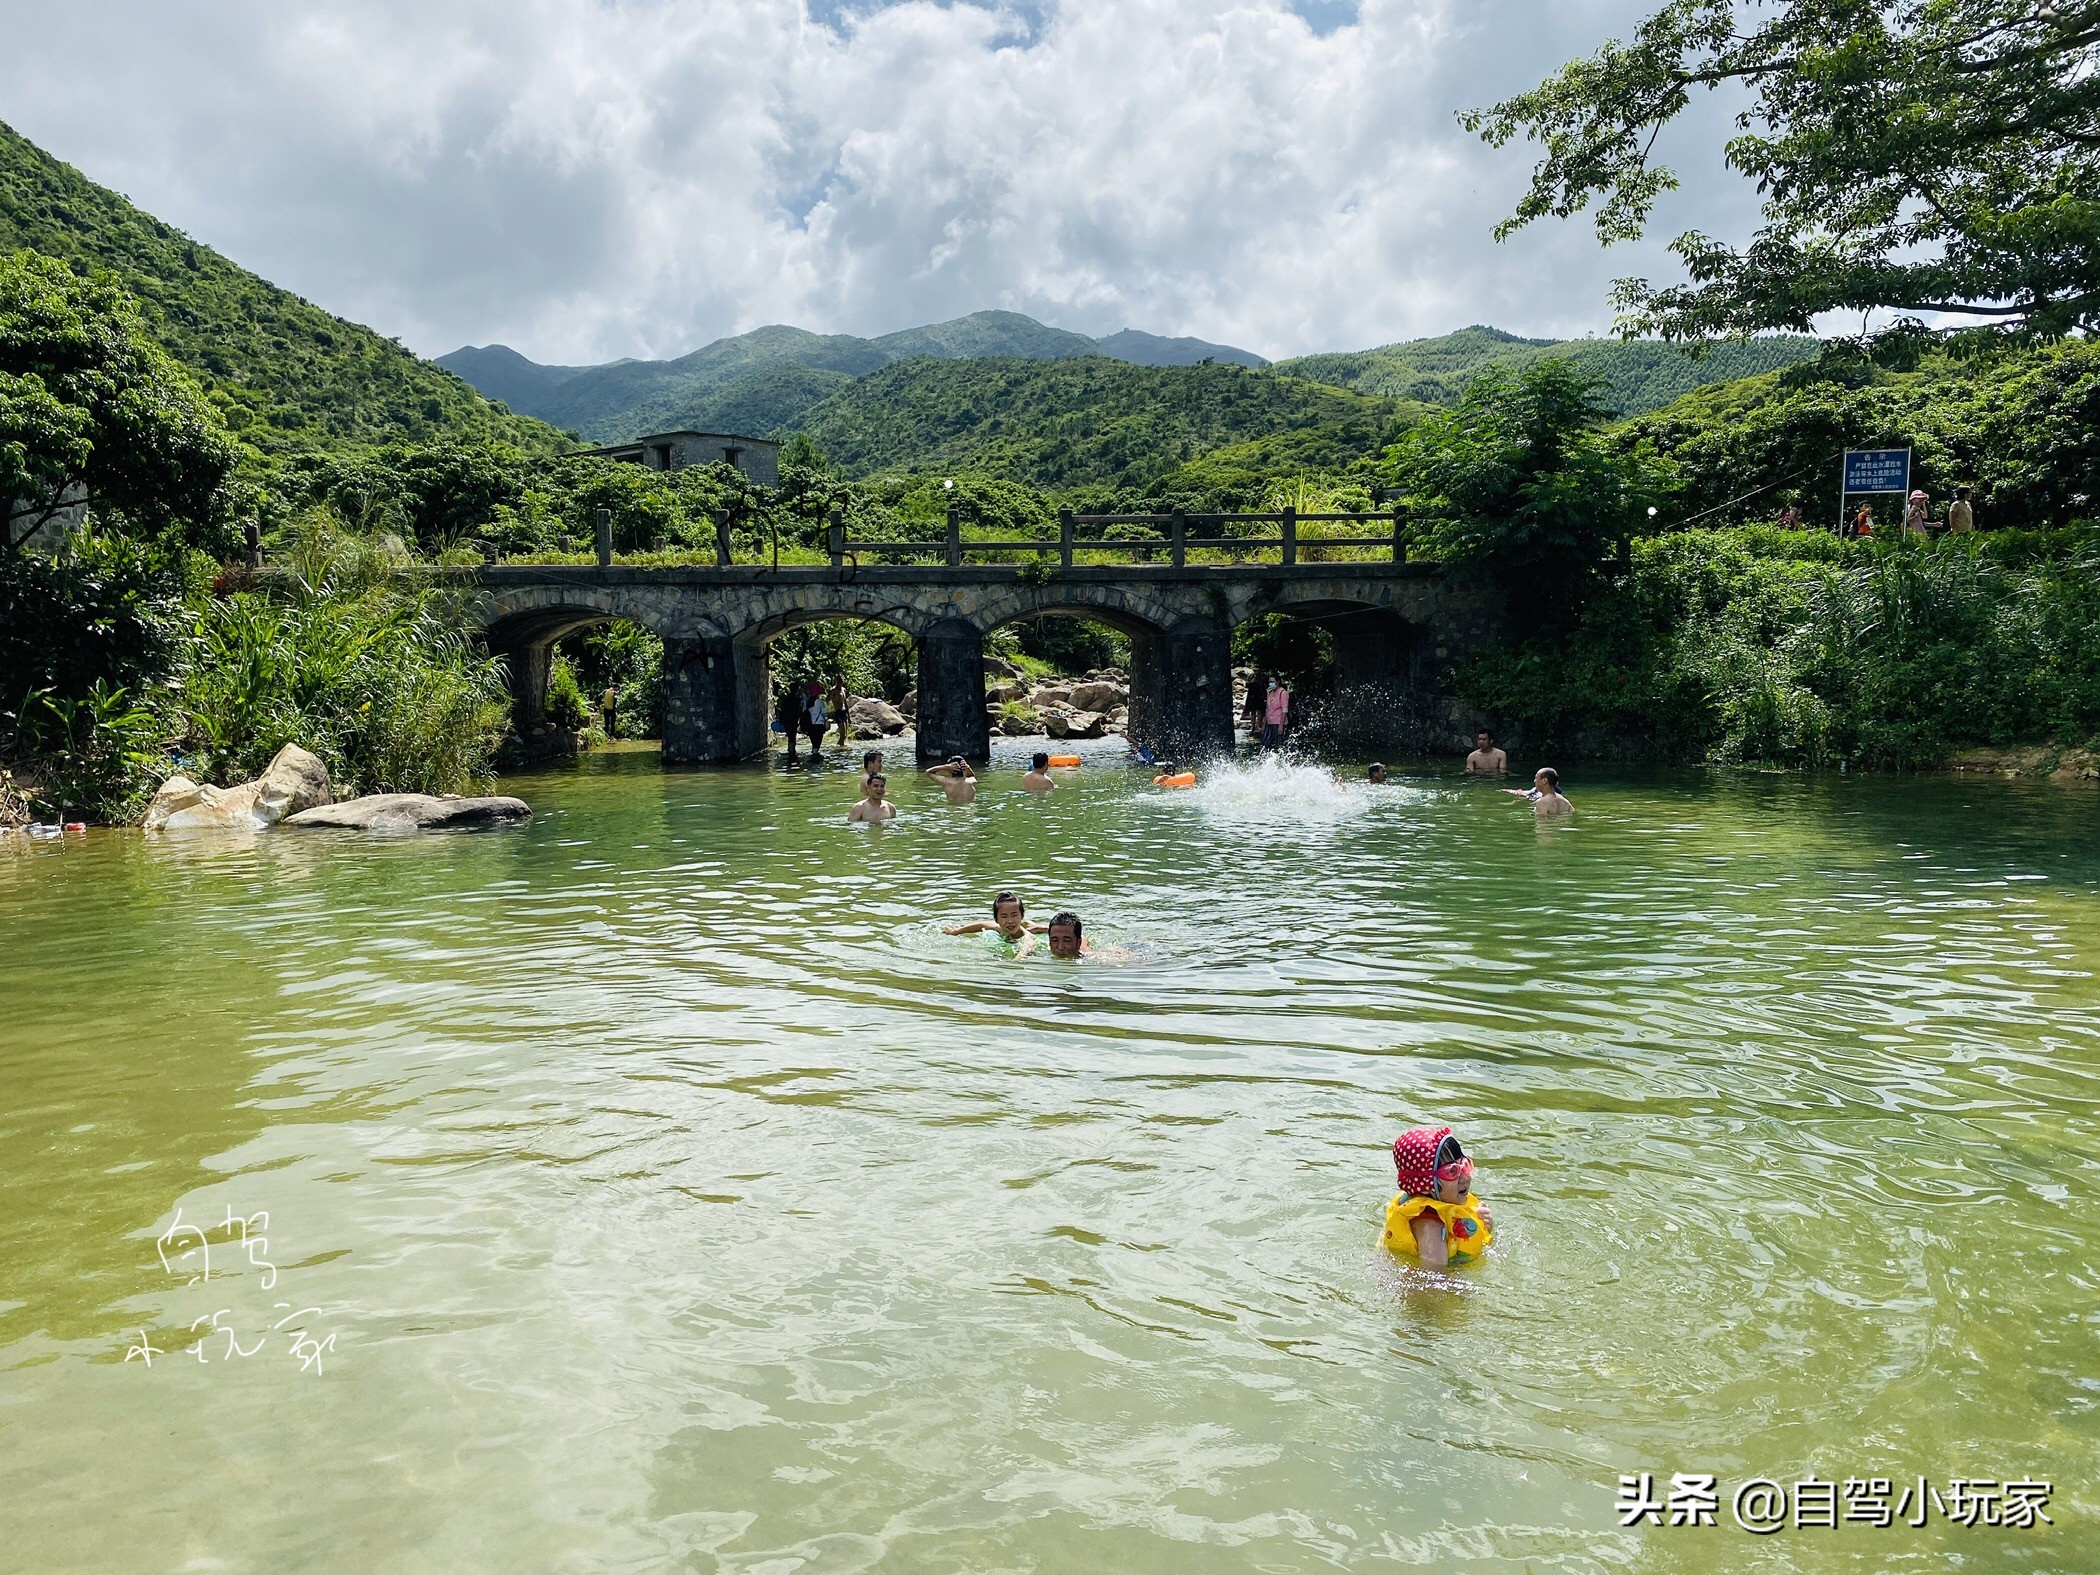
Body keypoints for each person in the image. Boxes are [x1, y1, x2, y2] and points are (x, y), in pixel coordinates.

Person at [1381, 1125, 1494, 1269]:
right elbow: (1433, 1279)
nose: (1465, 1177)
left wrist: (1485, 1226)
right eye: (1452, 1172)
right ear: (1426, 1184)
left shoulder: (1443, 1201)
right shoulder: (1429, 1225)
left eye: (1465, 1165)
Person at [945, 891, 1045, 955]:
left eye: (1014, 915)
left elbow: (1026, 949)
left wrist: (1014, 962)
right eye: (1004, 916)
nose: (1010, 921)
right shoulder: (1000, 928)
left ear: (1022, 916)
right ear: (996, 919)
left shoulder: (1027, 937)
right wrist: (956, 931)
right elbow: (980, 925)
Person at [1502, 766, 1572, 816]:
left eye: (1536, 778)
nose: (1534, 781)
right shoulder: (1565, 801)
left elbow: (1542, 825)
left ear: (1544, 780)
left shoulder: (1542, 802)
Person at [802, 682, 829, 762]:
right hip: (819, 726)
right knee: (817, 745)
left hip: (810, 726)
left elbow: (804, 711)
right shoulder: (819, 702)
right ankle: (816, 762)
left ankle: (813, 760)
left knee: (814, 744)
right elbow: (825, 713)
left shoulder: (807, 702)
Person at [1262, 677, 1291, 749]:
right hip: (1270, 723)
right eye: (1269, 682)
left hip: (1278, 722)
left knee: (1279, 745)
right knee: (1264, 745)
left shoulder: (1283, 693)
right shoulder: (1270, 692)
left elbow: (1284, 710)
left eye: (1272, 681)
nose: (1270, 683)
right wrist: (1264, 723)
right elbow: (1267, 709)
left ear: (1277, 682)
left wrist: (1281, 725)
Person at [777, 688, 804, 765]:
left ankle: (790, 750)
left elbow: (782, 710)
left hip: (787, 721)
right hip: (793, 721)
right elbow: (800, 711)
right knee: (792, 737)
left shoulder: (786, 699)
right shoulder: (797, 700)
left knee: (790, 736)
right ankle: (792, 752)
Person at [828, 676, 851, 752]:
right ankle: (838, 749)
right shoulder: (833, 690)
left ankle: (841, 748)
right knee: (842, 734)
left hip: (844, 712)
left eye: (841, 680)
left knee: (845, 735)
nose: (840, 682)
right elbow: (827, 700)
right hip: (838, 712)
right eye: (839, 681)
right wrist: (832, 696)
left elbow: (845, 703)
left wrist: (849, 716)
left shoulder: (843, 689)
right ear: (836, 681)